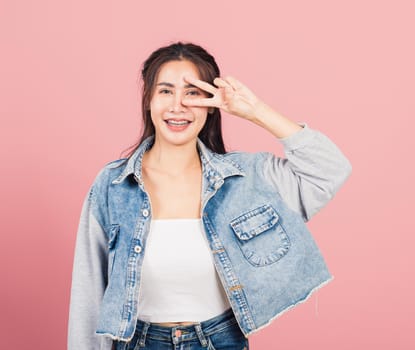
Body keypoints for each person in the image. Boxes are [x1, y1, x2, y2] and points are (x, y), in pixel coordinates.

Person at [68, 42, 352, 350]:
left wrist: (256, 111)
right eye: (165, 91)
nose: (178, 105)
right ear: (148, 100)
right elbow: (89, 293)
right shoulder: (113, 185)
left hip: (220, 342)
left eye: (192, 93)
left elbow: (330, 170)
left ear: (211, 103)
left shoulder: (247, 177)